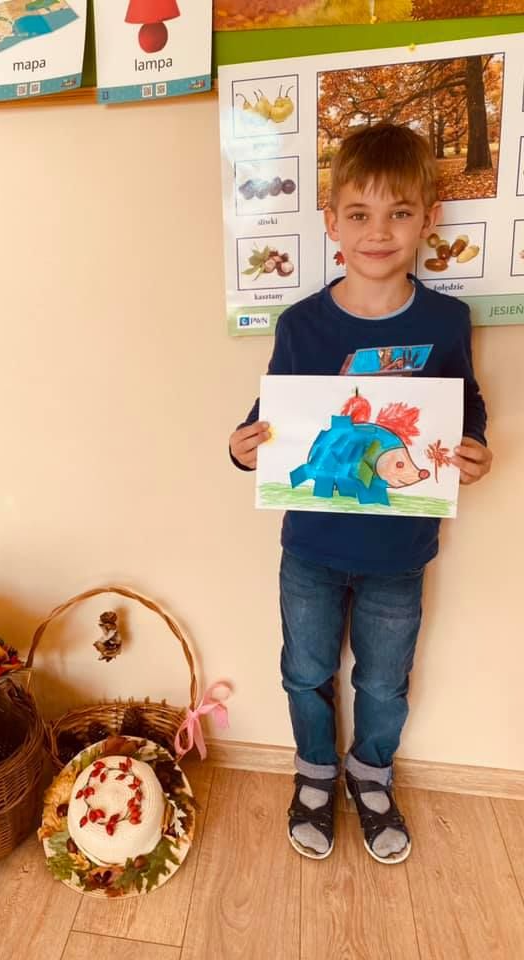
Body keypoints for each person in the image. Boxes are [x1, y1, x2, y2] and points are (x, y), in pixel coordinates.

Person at [229, 123, 492, 864]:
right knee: (305, 671)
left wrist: (472, 444)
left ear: (429, 219)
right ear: (331, 222)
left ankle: (370, 775)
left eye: (399, 213)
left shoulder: (446, 321)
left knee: (383, 680)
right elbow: (272, 416)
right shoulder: (301, 324)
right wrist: (242, 448)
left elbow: (466, 402)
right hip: (310, 547)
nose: (379, 232)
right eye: (359, 214)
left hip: (398, 552)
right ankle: (314, 771)